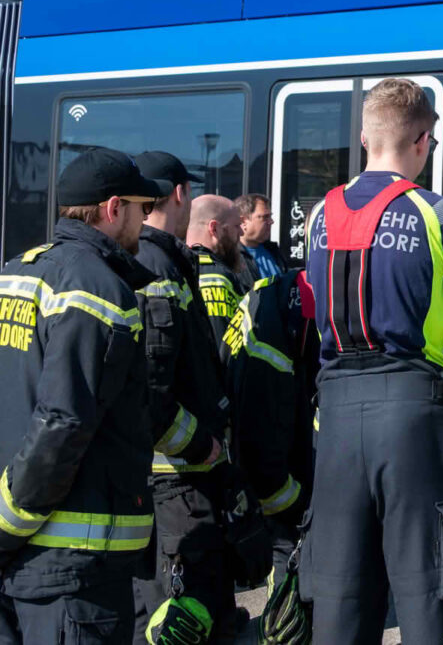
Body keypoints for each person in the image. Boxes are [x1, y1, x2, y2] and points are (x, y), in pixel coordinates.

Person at [302, 78, 443, 645]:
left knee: (339, 600)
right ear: (424, 141)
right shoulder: (437, 215)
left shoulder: (320, 216)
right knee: (429, 597)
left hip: (336, 418)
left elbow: (318, 309)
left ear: (365, 137)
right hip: (415, 415)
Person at [0, 148, 162, 643]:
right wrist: (9, 524)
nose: (146, 222)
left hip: (22, 561)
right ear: (114, 209)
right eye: (143, 209)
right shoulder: (98, 288)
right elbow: (63, 421)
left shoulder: (17, 272)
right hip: (69, 566)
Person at [130, 153, 243, 643]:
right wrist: (199, 443)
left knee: (200, 586)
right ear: (178, 194)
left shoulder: (158, 256)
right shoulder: (157, 260)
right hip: (174, 467)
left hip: (184, 458)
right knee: (177, 597)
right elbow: (157, 380)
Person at [223, 269, 316, 588]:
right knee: (286, 552)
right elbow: (265, 450)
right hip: (270, 482)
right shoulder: (275, 350)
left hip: (252, 464)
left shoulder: (268, 295)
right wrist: (297, 503)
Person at [186, 196, 247, 363]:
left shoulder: (178, 267)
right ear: (214, 228)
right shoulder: (216, 278)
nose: (241, 232)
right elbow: (224, 347)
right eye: (236, 226)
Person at [235, 194, 285, 286]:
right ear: (243, 222)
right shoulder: (231, 257)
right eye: (265, 217)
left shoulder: (272, 250)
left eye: (270, 216)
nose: (271, 222)